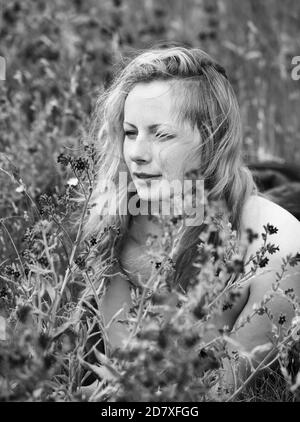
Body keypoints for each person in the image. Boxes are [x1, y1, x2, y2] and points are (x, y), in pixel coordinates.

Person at [80, 44, 300, 395]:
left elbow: (225, 388)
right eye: (131, 132)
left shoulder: (280, 244)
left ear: (212, 140)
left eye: (161, 134)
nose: (136, 153)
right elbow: (125, 375)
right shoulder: (114, 221)